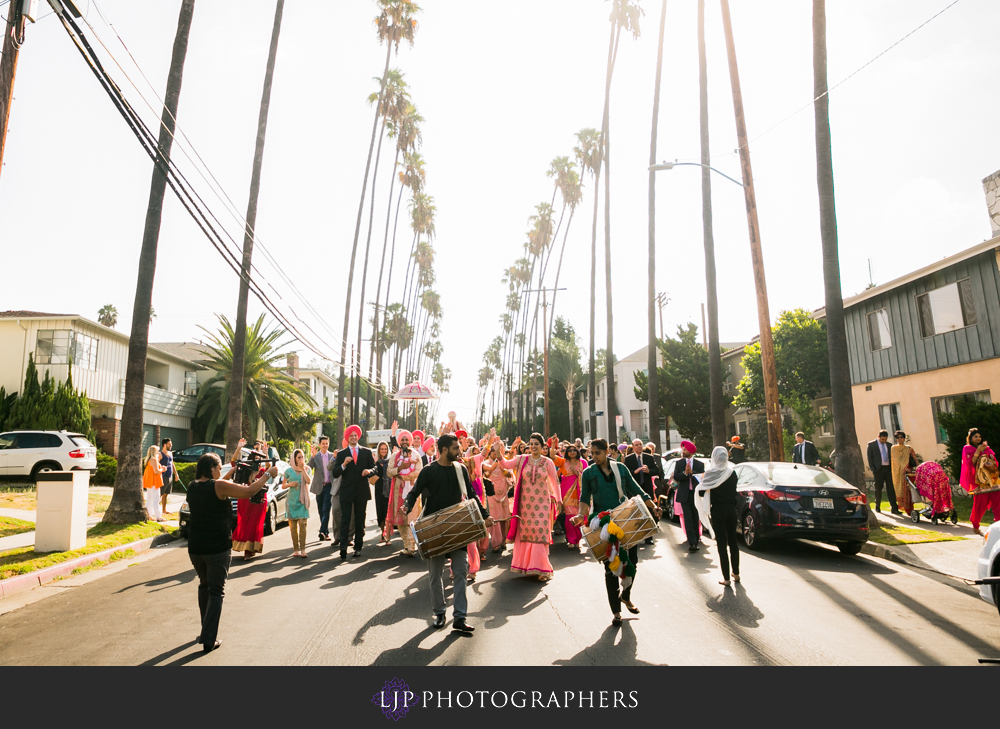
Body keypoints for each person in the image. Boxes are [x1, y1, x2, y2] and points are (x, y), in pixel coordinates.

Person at [403, 433, 495, 632]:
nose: (459, 451)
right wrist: (407, 506)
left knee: (461, 572)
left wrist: (485, 515)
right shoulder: (429, 470)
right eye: (455, 448)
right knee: (435, 575)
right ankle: (439, 613)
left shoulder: (460, 469)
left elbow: (472, 495)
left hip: (458, 527)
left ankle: (460, 617)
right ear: (444, 450)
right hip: (434, 529)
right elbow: (414, 492)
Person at [186, 452, 277, 653]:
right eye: (219, 467)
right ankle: (209, 639)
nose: (221, 471)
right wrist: (268, 474)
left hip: (196, 548)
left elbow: (216, 486)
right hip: (217, 547)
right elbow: (250, 491)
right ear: (211, 468)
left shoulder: (193, 487)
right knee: (217, 591)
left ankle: (205, 630)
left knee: (204, 586)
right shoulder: (218, 486)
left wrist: (232, 474)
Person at [574, 438, 661, 626]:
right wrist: (580, 515)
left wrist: (652, 505)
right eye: (592, 453)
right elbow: (584, 499)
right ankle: (616, 612)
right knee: (611, 566)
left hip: (625, 520)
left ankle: (626, 595)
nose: (594, 456)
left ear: (607, 452)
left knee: (633, 561)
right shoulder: (588, 473)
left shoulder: (620, 469)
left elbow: (635, 489)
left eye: (597, 453)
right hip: (604, 524)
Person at [499, 433, 561, 581]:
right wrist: (497, 453)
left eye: (536, 444)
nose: (533, 446)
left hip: (542, 504)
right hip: (525, 505)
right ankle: (529, 566)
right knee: (526, 534)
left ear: (542, 446)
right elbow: (506, 465)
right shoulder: (521, 460)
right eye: (531, 443)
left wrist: (558, 501)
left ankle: (541, 568)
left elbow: (554, 482)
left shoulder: (547, 462)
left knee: (539, 533)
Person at [331, 425, 376, 560]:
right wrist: (343, 465)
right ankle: (343, 547)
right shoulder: (341, 454)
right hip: (346, 492)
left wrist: (369, 471)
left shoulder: (366, 452)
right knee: (345, 519)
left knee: (359, 520)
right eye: (351, 435)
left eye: (356, 435)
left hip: (361, 492)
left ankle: (358, 547)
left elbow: (375, 468)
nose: (354, 437)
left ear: (359, 437)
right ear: (347, 437)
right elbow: (335, 473)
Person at [699, 446, 740, 586]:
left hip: (718, 510)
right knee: (733, 542)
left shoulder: (711, 473)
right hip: (731, 509)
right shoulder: (732, 473)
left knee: (722, 544)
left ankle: (726, 578)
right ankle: (737, 573)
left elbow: (700, 493)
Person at [384, 429, 423, 554]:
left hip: (412, 491)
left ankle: (411, 546)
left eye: (407, 439)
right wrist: (400, 468)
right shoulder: (395, 456)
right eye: (403, 440)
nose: (405, 442)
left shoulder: (416, 455)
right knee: (400, 520)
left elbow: (419, 472)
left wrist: (405, 476)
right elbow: (389, 471)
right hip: (397, 492)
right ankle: (406, 545)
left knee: (410, 519)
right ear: (399, 441)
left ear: (410, 441)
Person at [231, 441, 270, 561]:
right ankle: (247, 550)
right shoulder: (245, 470)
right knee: (246, 523)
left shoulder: (262, 471)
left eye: (260, 459)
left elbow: (270, 467)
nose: (258, 461)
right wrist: (238, 448)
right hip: (246, 500)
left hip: (259, 502)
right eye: (256, 458)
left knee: (256, 524)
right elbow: (233, 463)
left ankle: (252, 549)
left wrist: (266, 454)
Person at [962, 428, 1000, 536]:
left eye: (979, 436)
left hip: (993, 481)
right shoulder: (967, 448)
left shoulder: (987, 448)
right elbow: (970, 464)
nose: (978, 438)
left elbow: (995, 462)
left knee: (998, 504)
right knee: (980, 505)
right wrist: (978, 451)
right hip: (980, 482)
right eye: (975, 437)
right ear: (971, 438)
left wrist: (991, 463)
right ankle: (975, 525)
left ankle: (999, 523)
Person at [624, 438, 661, 543]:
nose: (639, 446)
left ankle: (649, 538)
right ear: (633, 447)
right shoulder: (628, 459)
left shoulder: (649, 457)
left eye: (640, 444)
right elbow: (625, 474)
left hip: (647, 488)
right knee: (635, 512)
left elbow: (657, 470)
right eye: (636, 445)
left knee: (648, 512)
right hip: (634, 489)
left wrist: (649, 471)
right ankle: (635, 536)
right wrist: (634, 472)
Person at [673, 440, 704, 552]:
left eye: (685, 450)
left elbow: (702, 478)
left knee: (695, 517)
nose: (683, 451)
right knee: (688, 518)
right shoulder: (679, 463)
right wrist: (685, 474)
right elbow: (676, 476)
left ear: (690, 451)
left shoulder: (699, 464)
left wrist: (693, 472)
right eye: (683, 449)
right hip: (684, 494)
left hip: (695, 494)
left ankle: (696, 537)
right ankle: (692, 543)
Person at [482, 436, 511, 553]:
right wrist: (496, 463)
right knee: (494, 518)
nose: (494, 453)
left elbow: (510, 475)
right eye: (492, 451)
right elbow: (487, 474)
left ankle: (503, 541)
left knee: (504, 518)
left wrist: (506, 472)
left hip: (503, 492)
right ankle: (495, 542)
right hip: (491, 493)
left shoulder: (504, 461)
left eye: (496, 451)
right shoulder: (485, 463)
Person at [558, 443, 586, 550]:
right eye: (570, 450)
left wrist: (578, 473)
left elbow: (586, 476)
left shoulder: (583, 462)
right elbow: (552, 456)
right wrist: (553, 444)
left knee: (578, 516)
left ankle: (577, 539)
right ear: (567, 452)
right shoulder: (563, 462)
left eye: (574, 450)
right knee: (569, 516)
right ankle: (571, 539)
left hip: (579, 494)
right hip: (566, 494)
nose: (572, 452)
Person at [308, 436, 336, 542]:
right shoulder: (316, 456)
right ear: (319, 444)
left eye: (326, 443)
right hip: (319, 486)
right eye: (323, 443)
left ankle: (322, 531)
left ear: (328, 444)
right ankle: (325, 532)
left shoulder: (332, 456)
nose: (325, 445)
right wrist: (312, 457)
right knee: (321, 510)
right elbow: (309, 467)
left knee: (326, 509)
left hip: (329, 486)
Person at [284, 449, 311, 558]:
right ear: (294, 459)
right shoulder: (288, 471)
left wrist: (302, 469)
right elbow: (283, 486)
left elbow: (308, 481)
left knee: (303, 525)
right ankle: (296, 549)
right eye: (298, 457)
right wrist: (290, 484)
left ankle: (303, 549)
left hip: (303, 501)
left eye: (302, 457)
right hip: (291, 501)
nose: (301, 459)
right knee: (293, 527)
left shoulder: (307, 469)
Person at [867, 430, 900, 515]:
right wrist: (873, 468)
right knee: (878, 488)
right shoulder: (872, 445)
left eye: (885, 439)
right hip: (878, 469)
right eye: (882, 439)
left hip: (888, 469)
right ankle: (877, 506)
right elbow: (870, 457)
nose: (883, 441)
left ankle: (894, 508)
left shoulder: (889, 445)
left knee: (891, 488)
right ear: (879, 437)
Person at [890, 430, 916, 516]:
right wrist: (904, 468)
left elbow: (914, 459)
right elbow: (896, 461)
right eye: (897, 438)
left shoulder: (908, 448)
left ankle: (911, 510)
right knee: (901, 491)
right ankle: (906, 509)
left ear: (904, 438)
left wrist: (918, 468)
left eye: (901, 437)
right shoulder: (894, 448)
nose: (899, 439)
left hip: (909, 472)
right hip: (899, 472)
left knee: (910, 491)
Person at [373, 441, 392, 546]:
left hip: (388, 489)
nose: (383, 450)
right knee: (380, 512)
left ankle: (387, 536)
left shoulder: (390, 462)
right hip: (379, 489)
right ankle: (382, 532)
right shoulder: (375, 462)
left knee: (387, 513)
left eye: (385, 449)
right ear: (379, 450)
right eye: (382, 449)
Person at [142, 445, 166, 522]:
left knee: (149, 499)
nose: (159, 452)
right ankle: (158, 517)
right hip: (154, 482)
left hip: (149, 482)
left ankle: (149, 515)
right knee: (156, 499)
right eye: (157, 451)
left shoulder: (148, 459)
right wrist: (162, 469)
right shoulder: (154, 459)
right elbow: (156, 471)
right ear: (154, 452)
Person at [158, 438, 177, 518]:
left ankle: (164, 510)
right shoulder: (160, 454)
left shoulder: (170, 453)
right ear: (164, 445)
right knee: (160, 494)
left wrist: (176, 474)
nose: (171, 445)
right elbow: (155, 464)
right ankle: (153, 510)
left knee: (166, 494)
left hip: (170, 476)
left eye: (171, 444)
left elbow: (172, 464)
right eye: (169, 444)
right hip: (163, 476)